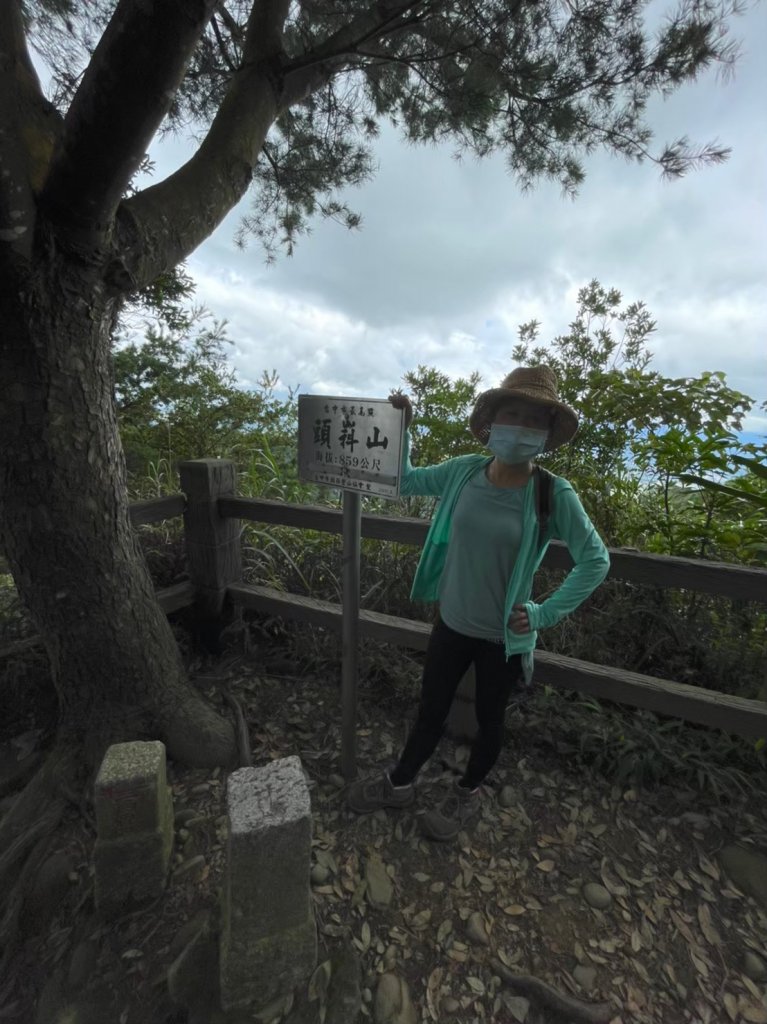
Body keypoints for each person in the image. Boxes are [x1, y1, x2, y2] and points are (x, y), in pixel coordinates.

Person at [346, 365, 610, 841]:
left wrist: (542, 613)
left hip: (502, 638)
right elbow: (404, 481)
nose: (523, 426)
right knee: (430, 710)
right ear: (494, 419)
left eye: (536, 419)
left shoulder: (552, 493)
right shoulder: (463, 471)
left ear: (547, 433)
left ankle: (468, 792)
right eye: (514, 413)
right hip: (451, 621)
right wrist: (404, 426)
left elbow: (596, 560)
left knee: (491, 720)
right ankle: (401, 783)